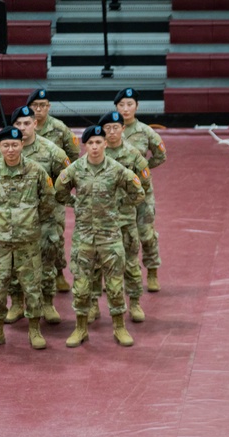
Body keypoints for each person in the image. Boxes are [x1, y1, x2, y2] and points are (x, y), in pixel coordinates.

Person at [54, 124, 145, 348]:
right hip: (84, 237)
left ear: (105, 143)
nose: (94, 147)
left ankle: (119, 327)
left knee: (114, 286)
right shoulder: (75, 170)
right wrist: (75, 204)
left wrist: (118, 206)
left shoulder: (116, 169)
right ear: (85, 145)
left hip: (110, 237)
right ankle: (80, 328)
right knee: (82, 286)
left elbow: (138, 192)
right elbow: (59, 190)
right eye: (90, 143)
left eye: (98, 142)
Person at [0, 105, 71, 325]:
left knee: (46, 261)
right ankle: (16, 303)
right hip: (9, 224)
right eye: (18, 124)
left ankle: (48, 303)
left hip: (46, 218)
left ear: (35, 123)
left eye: (27, 123)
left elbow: (65, 180)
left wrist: (41, 211)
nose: (23, 127)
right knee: (13, 265)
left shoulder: (52, 151)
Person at [0, 127, 55, 350]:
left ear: (21, 145)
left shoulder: (36, 171)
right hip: (0, 241)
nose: (11, 149)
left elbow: (48, 200)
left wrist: (31, 220)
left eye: (14, 145)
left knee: (32, 286)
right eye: (5, 145)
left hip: (28, 240)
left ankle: (34, 330)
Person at [97, 109, 152, 324]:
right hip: (101, 220)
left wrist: (128, 202)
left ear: (122, 129)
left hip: (125, 218)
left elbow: (144, 183)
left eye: (115, 128)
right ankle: (93, 304)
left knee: (130, 262)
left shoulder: (132, 155)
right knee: (97, 264)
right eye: (107, 128)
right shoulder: (96, 153)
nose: (111, 132)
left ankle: (135, 303)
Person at [114, 88, 166, 292]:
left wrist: (142, 169)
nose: (126, 109)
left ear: (137, 106)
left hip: (142, 192)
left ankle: (152, 271)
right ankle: (117, 276)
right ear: (116, 107)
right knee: (118, 236)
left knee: (146, 234)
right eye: (121, 105)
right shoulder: (111, 130)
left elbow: (161, 155)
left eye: (130, 104)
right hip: (118, 194)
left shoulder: (145, 131)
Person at [27, 89, 77, 293]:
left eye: (43, 105)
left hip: (52, 193)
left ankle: (58, 273)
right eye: (35, 106)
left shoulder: (59, 128)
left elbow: (72, 156)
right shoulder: (22, 128)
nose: (39, 109)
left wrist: (62, 182)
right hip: (27, 194)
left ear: (48, 107)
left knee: (54, 235)